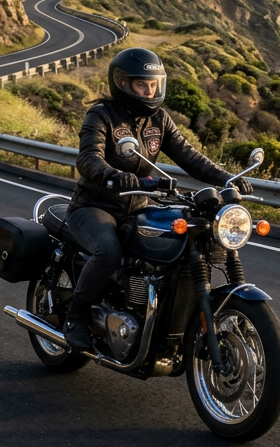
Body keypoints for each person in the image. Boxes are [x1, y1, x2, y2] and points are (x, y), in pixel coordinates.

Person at [62, 47, 251, 353]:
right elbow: (87, 159)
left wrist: (226, 178)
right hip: (94, 207)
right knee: (108, 251)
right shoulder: (101, 115)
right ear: (123, 84)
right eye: (142, 85)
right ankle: (76, 317)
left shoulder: (159, 119)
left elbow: (189, 156)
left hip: (139, 206)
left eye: (154, 84)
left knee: (183, 243)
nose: (149, 91)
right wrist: (113, 175)